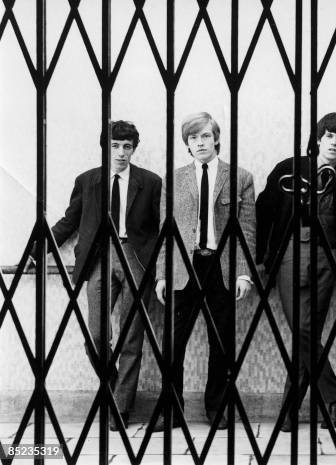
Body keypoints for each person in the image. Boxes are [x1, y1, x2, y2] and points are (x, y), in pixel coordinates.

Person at [36, 120, 161, 431]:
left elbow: (161, 229)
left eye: (127, 147)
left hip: (135, 258)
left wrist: (162, 268)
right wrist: (39, 249)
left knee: (132, 336)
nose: (121, 152)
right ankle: (117, 387)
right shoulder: (88, 180)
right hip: (99, 259)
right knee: (96, 336)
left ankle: (120, 409)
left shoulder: (151, 181)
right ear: (106, 146)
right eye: (115, 145)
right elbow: (70, 220)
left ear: (134, 149)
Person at [256, 112, 336, 431]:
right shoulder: (289, 169)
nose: (334, 143)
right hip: (291, 252)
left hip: (329, 259)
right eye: (330, 136)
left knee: (308, 334)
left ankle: (291, 412)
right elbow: (263, 210)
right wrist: (262, 257)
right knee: (303, 329)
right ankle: (333, 396)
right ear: (318, 139)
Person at [154, 112, 255, 431]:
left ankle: (217, 409)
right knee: (173, 345)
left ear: (216, 138)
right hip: (184, 267)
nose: (200, 143)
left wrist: (243, 272)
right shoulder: (174, 179)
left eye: (205, 136)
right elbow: (164, 229)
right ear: (187, 143)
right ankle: (171, 410)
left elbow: (247, 230)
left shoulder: (241, 177)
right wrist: (161, 273)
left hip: (221, 267)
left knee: (221, 344)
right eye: (193, 138)